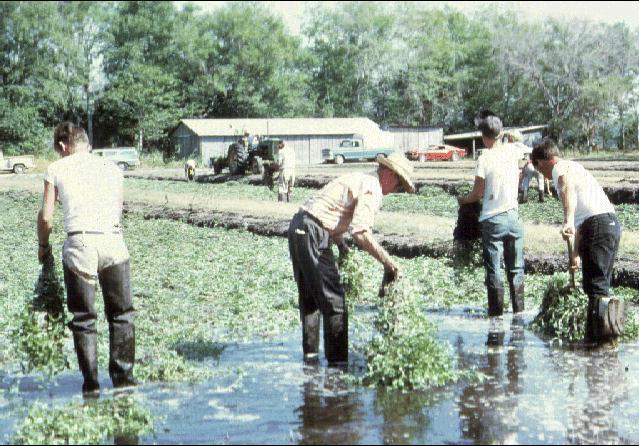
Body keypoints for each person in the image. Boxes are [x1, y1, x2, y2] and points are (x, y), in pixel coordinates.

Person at [37, 122, 136, 395]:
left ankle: (91, 386)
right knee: (122, 314)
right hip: (113, 240)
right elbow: (117, 210)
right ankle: (124, 382)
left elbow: (46, 218)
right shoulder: (112, 168)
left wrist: (43, 246)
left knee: (84, 318)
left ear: (62, 146)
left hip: (80, 243)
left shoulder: (57, 168)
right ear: (87, 143)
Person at [288, 153, 414, 365]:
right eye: (399, 184)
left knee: (310, 299)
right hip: (313, 231)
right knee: (335, 302)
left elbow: (331, 212)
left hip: (298, 226)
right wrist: (389, 263)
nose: (396, 190)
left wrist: (340, 244)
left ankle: (310, 360)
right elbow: (360, 232)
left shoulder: (359, 178)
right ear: (391, 174)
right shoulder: (372, 187)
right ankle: (338, 367)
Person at [531, 138, 625, 342]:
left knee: (596, 289)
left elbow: (566, 187)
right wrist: (574, 254)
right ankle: (601, 340)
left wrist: (567, 220)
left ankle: (598, 343)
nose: (543, 176)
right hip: (607, 225)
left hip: (598, 225)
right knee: (598, 286)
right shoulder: (575, 167)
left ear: (541, 162)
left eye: (539, 170)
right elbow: (582, 223)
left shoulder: (559, 169)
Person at [458, 111, 526, 318]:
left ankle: (496, 315)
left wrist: (463, 200)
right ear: (502, 133)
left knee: (494, 269)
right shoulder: (513, 152)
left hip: (492, 220)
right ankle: (519, 313)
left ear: (483, 137)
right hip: (514, 218)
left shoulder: (484, 158)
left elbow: (478, 193)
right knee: (516, 268)